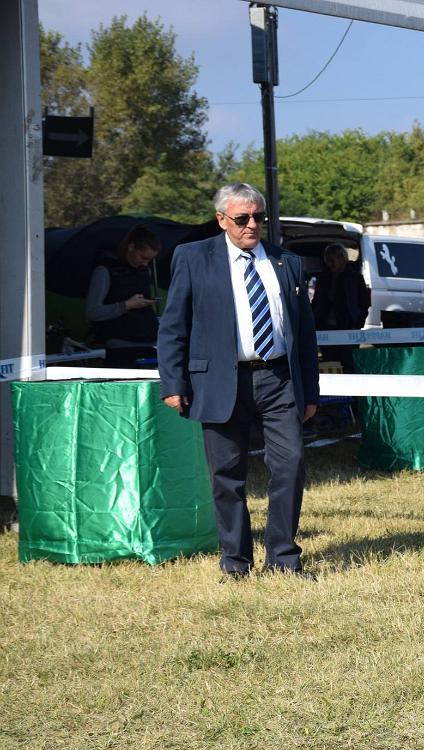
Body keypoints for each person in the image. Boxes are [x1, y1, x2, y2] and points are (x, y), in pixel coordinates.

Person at [158, 183, 320, 580]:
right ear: (221, 220)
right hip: (219, 382)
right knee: (227, 476)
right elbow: (173, 325)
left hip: (279, 379)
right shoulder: (193, 258)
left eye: (258, 218)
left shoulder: (287, 262)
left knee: (291, 464)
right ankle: (236, 562)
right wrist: (173, 382)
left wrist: (311, 392)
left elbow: (304, 333)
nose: (252, 225)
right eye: (242, 218)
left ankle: (282, 557)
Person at [85, 224, 161, 368]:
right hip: (120, 349)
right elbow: (92, 312)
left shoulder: (145, 272)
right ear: (131, 247)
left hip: (149, 344)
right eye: (143, 257)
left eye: (149, 260)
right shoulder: (104, 271)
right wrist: (126, 305)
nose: (145, 263)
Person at [312, 243, 369, 373]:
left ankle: (352, 393)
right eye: (327, 260)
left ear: (342, 258)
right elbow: (316, 302)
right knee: (329, 362)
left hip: (348, 327)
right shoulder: (323, 278)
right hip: (326, 327)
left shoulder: (355, 278)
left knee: (348, 363)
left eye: (332, 260)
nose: (329, 264)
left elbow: (364, 304)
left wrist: (357, 323)